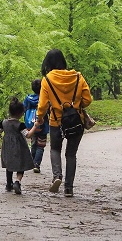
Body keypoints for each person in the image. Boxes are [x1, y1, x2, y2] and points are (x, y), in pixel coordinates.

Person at [36, 48, 92, 197]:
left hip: (57, 122)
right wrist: (75, 105)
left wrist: (39, 117)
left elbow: (42, 106)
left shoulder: (47, 80)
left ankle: (57, 176)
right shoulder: (78, 77)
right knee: (71, 154)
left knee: (55, 149)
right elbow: (87, 100)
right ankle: (69, 188)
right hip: (76, 121)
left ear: (47, 64)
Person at [0, 96, 39, 194]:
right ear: (21, 113)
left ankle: (9, 184)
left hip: (7, 148)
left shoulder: (3, 123)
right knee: (21, 165)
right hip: (20, 148)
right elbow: (28, 135)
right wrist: (35, 126)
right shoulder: (20, 125)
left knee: (9, 165)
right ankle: (17, 181)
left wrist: (2, 137)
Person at [24, 78, 49, 173]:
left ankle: (32, 162)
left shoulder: (28, 99)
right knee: (40, 146)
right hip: (43, 126)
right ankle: (37, 164)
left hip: (31, 126)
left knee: (33, 143)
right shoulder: (45, 99)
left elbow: (23, 109)